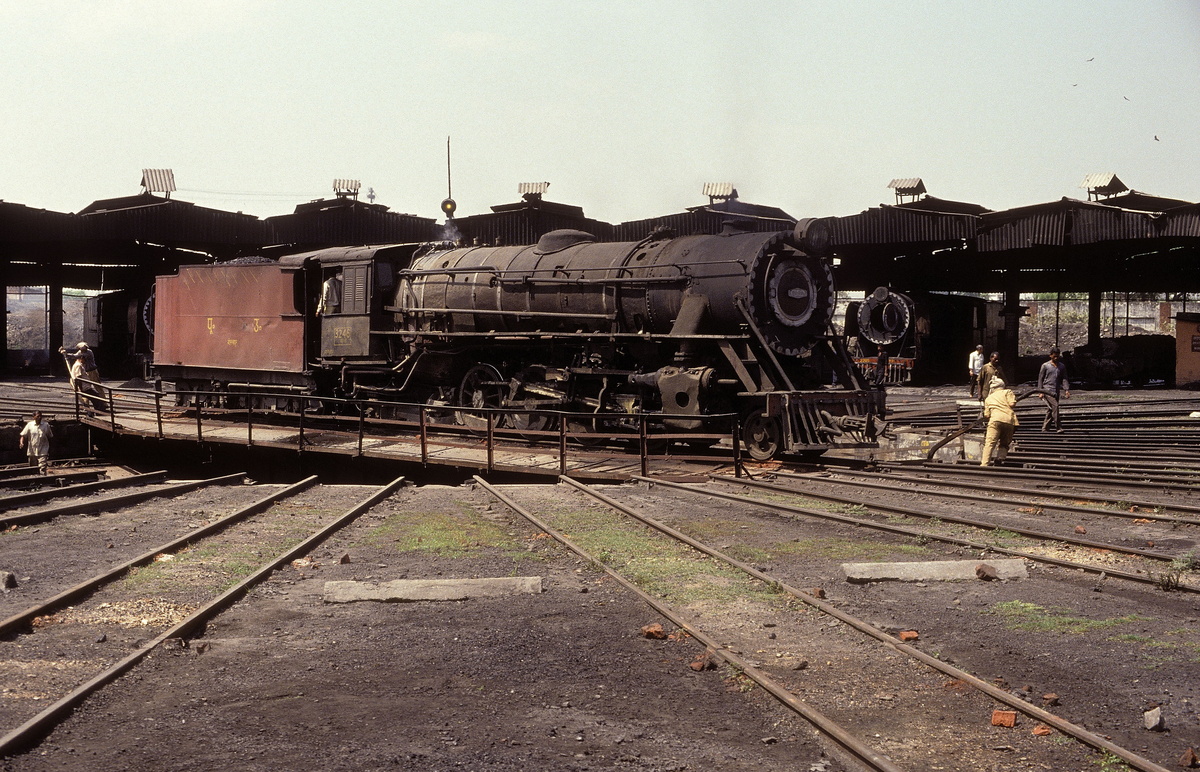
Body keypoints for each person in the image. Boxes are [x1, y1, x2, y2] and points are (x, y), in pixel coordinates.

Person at [980, 377, 1018, 466]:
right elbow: (1012, 404)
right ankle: (1000, 458)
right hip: (1009, 420)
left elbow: (987, 415)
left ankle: (984, 464)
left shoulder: (988, 398)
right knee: (1005, 443)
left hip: (995, 420)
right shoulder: (1007, 392)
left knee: (989, 443)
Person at [59, 342, 105, 411]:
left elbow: (79, 356)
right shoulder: (80, 354)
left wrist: (66, 354)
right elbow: (75, 356)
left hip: (92, 371)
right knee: (87, 389)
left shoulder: (89, 352)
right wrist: (66, 354)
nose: (83, 350)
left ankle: (104, 403)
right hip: (85, 372)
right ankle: (87, 406)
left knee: (97, 387)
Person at [1037, 346, 1070, 432]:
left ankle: (1045, 428)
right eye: (1054, 356)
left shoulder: (1061, 366)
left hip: (1056, 390)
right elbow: (1040, 378)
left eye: (1057, 356)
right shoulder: (1045, 366)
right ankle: (1058, 427)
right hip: (1047, 389)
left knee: (1051, 409)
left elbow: (1064, 378)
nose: (1056, 358)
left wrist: (1066, 389)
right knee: (1055, 406)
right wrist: (1040, 391)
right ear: (1050, 355)